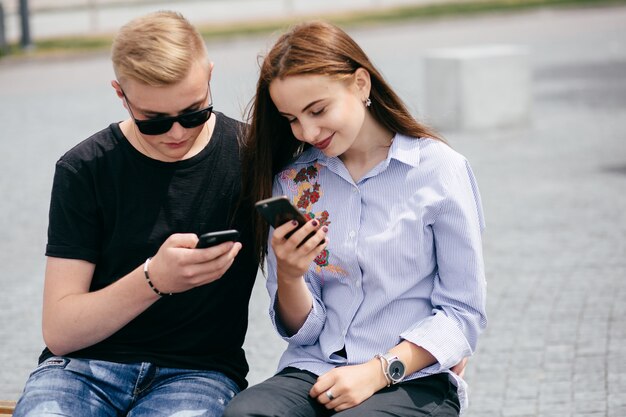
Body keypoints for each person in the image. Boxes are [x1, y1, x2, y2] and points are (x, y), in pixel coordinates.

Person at [224, 21, 487, 416]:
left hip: (411, 378)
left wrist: (379, 371)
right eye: (292, 118)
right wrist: (291, 275)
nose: (307, 131)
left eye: (317, 110)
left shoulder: (438, 169)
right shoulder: (293, 182)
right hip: (314, 371)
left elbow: (463, 313)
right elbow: (302, 330)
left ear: (361, 85)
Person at [13, 11, 258, 417]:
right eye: (154, 122)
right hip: (81, 369)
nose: (178, 132)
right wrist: (155, 279)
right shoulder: (85, 168)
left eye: (195, 112)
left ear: (210, 75)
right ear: (120, 94)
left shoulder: (249, 155)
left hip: (198, 374)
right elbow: (60, 332)